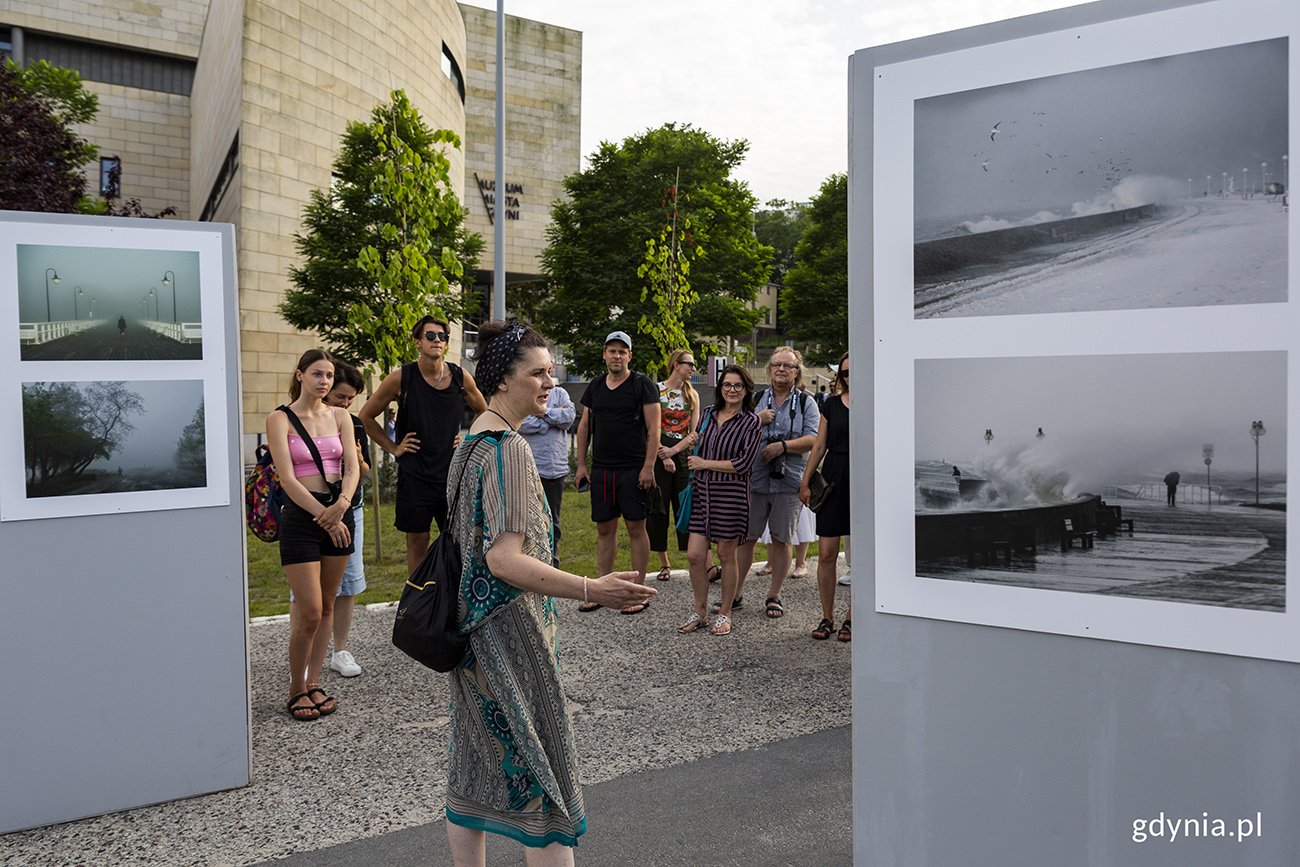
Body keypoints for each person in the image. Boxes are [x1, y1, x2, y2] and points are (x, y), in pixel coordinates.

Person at [443, 321, 655, 865]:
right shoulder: (509, 449)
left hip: (468, 633)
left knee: (473, 771)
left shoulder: (468, 441)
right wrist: (592, 588)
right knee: (548, 782)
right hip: (514, 637)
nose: (549, 382)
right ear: (501, 379)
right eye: (537, 372)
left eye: (550, 371)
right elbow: (503, 559)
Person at [265, 349, 360, 721]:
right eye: (317, 374)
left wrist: (342, 506)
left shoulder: (341, 416)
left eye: (329, 375)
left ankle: (315, 680)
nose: (324, 381)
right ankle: (296, 688)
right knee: (308, 612)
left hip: (340, 511)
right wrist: (325, 515)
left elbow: (350, 467)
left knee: (327, 605)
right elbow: (287, 478)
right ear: (300, 375)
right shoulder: (280, 418)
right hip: (304, 519)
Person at [360, 316, 487, 575]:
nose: (437, 340)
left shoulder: (460, 377)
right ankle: (418, 601)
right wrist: (393, 447)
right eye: (430, 336)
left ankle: (454, 600)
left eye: (442, 336)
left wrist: (468, 440)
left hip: (452, 473)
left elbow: (484, 411)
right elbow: (365, 417)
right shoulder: (401, 378)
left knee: (457, 541)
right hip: (415, 474)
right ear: (418, 342)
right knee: (417, 541)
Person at [573, 331, 660, 614]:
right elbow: (584, 426)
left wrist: (648, 467)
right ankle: (601, 590)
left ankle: (639, 592)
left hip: (634, 469)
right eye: (612, 351)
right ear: (604, 354)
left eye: (622, 352)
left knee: (636, 528)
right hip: (602, 470)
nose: (617, 356)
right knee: (604, 528)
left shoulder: (642, 385)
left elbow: (654, 429)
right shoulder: (596, 386)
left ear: (629, 356)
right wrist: (582, 465)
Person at [732, 347, 820, 620]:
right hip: (755, 478)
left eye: (788, 366)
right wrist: (758, 421)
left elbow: (813, 439)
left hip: (790, 481)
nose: (781, 370)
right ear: (770, 369)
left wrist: (783, 446)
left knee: (782, 540)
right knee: (744, 539)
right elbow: (735, 429)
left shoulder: (807, 403)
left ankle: (775, 594)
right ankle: (734, 593)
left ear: (796, 372)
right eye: (777, 365)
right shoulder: (755, 399)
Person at [678, 365, 762, 636]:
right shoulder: (707, 415)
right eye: (727, 385)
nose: (732, 390)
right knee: (694, 555)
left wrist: (705, 463)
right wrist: (692, 448)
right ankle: (700, 610)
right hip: (703, 493)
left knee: (727, 555)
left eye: (738, 385)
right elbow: (697, 441)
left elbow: (744, 463)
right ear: (720, 388)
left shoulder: (751, 421)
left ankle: (725, 612)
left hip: (731, 495)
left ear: (747, 389)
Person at [800, 352, 852, 642]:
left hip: (865, 479)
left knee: (863, 557)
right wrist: (806, 481)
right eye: (845, 373)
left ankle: (853, 616)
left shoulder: (875, 400)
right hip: (834, 477)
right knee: (826, 553)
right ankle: (827, 616)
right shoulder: (831, 404)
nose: (850, 377)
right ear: (839, 376)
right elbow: (819, 446)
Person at [323, 361, 369, 676]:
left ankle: (340, 650)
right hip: (315, 511)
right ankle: (308, 650)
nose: (345, 403)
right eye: (340, 396)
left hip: (351, 507)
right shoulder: (301, 421)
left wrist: (357, 458)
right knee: (310, 585)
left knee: (349, 581)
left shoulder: (354, 423)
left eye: (350, 398)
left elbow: (362, 472)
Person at [647, 349, 700, 581]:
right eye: (689, 364)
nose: (693, 369)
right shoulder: (656, 390)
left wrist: (674, 452)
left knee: (685, 505)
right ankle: (664, 562)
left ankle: (695, 558)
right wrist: (663, 454)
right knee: (659, 507)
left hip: (681, 454)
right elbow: (651, 426)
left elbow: (694, 433)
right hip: (658, 450)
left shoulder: (692, 395)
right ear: (676, 365)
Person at [518, 363, 575, 567]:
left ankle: (553, 564)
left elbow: (568, 417)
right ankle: (531, 565)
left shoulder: (560, 392)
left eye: (548, 369)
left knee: (553, 522)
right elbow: (521, 422)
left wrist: (540, 413)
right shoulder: (526, 392)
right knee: (528, 522)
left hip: (555, 469)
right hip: (531, 468)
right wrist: (551, 417)